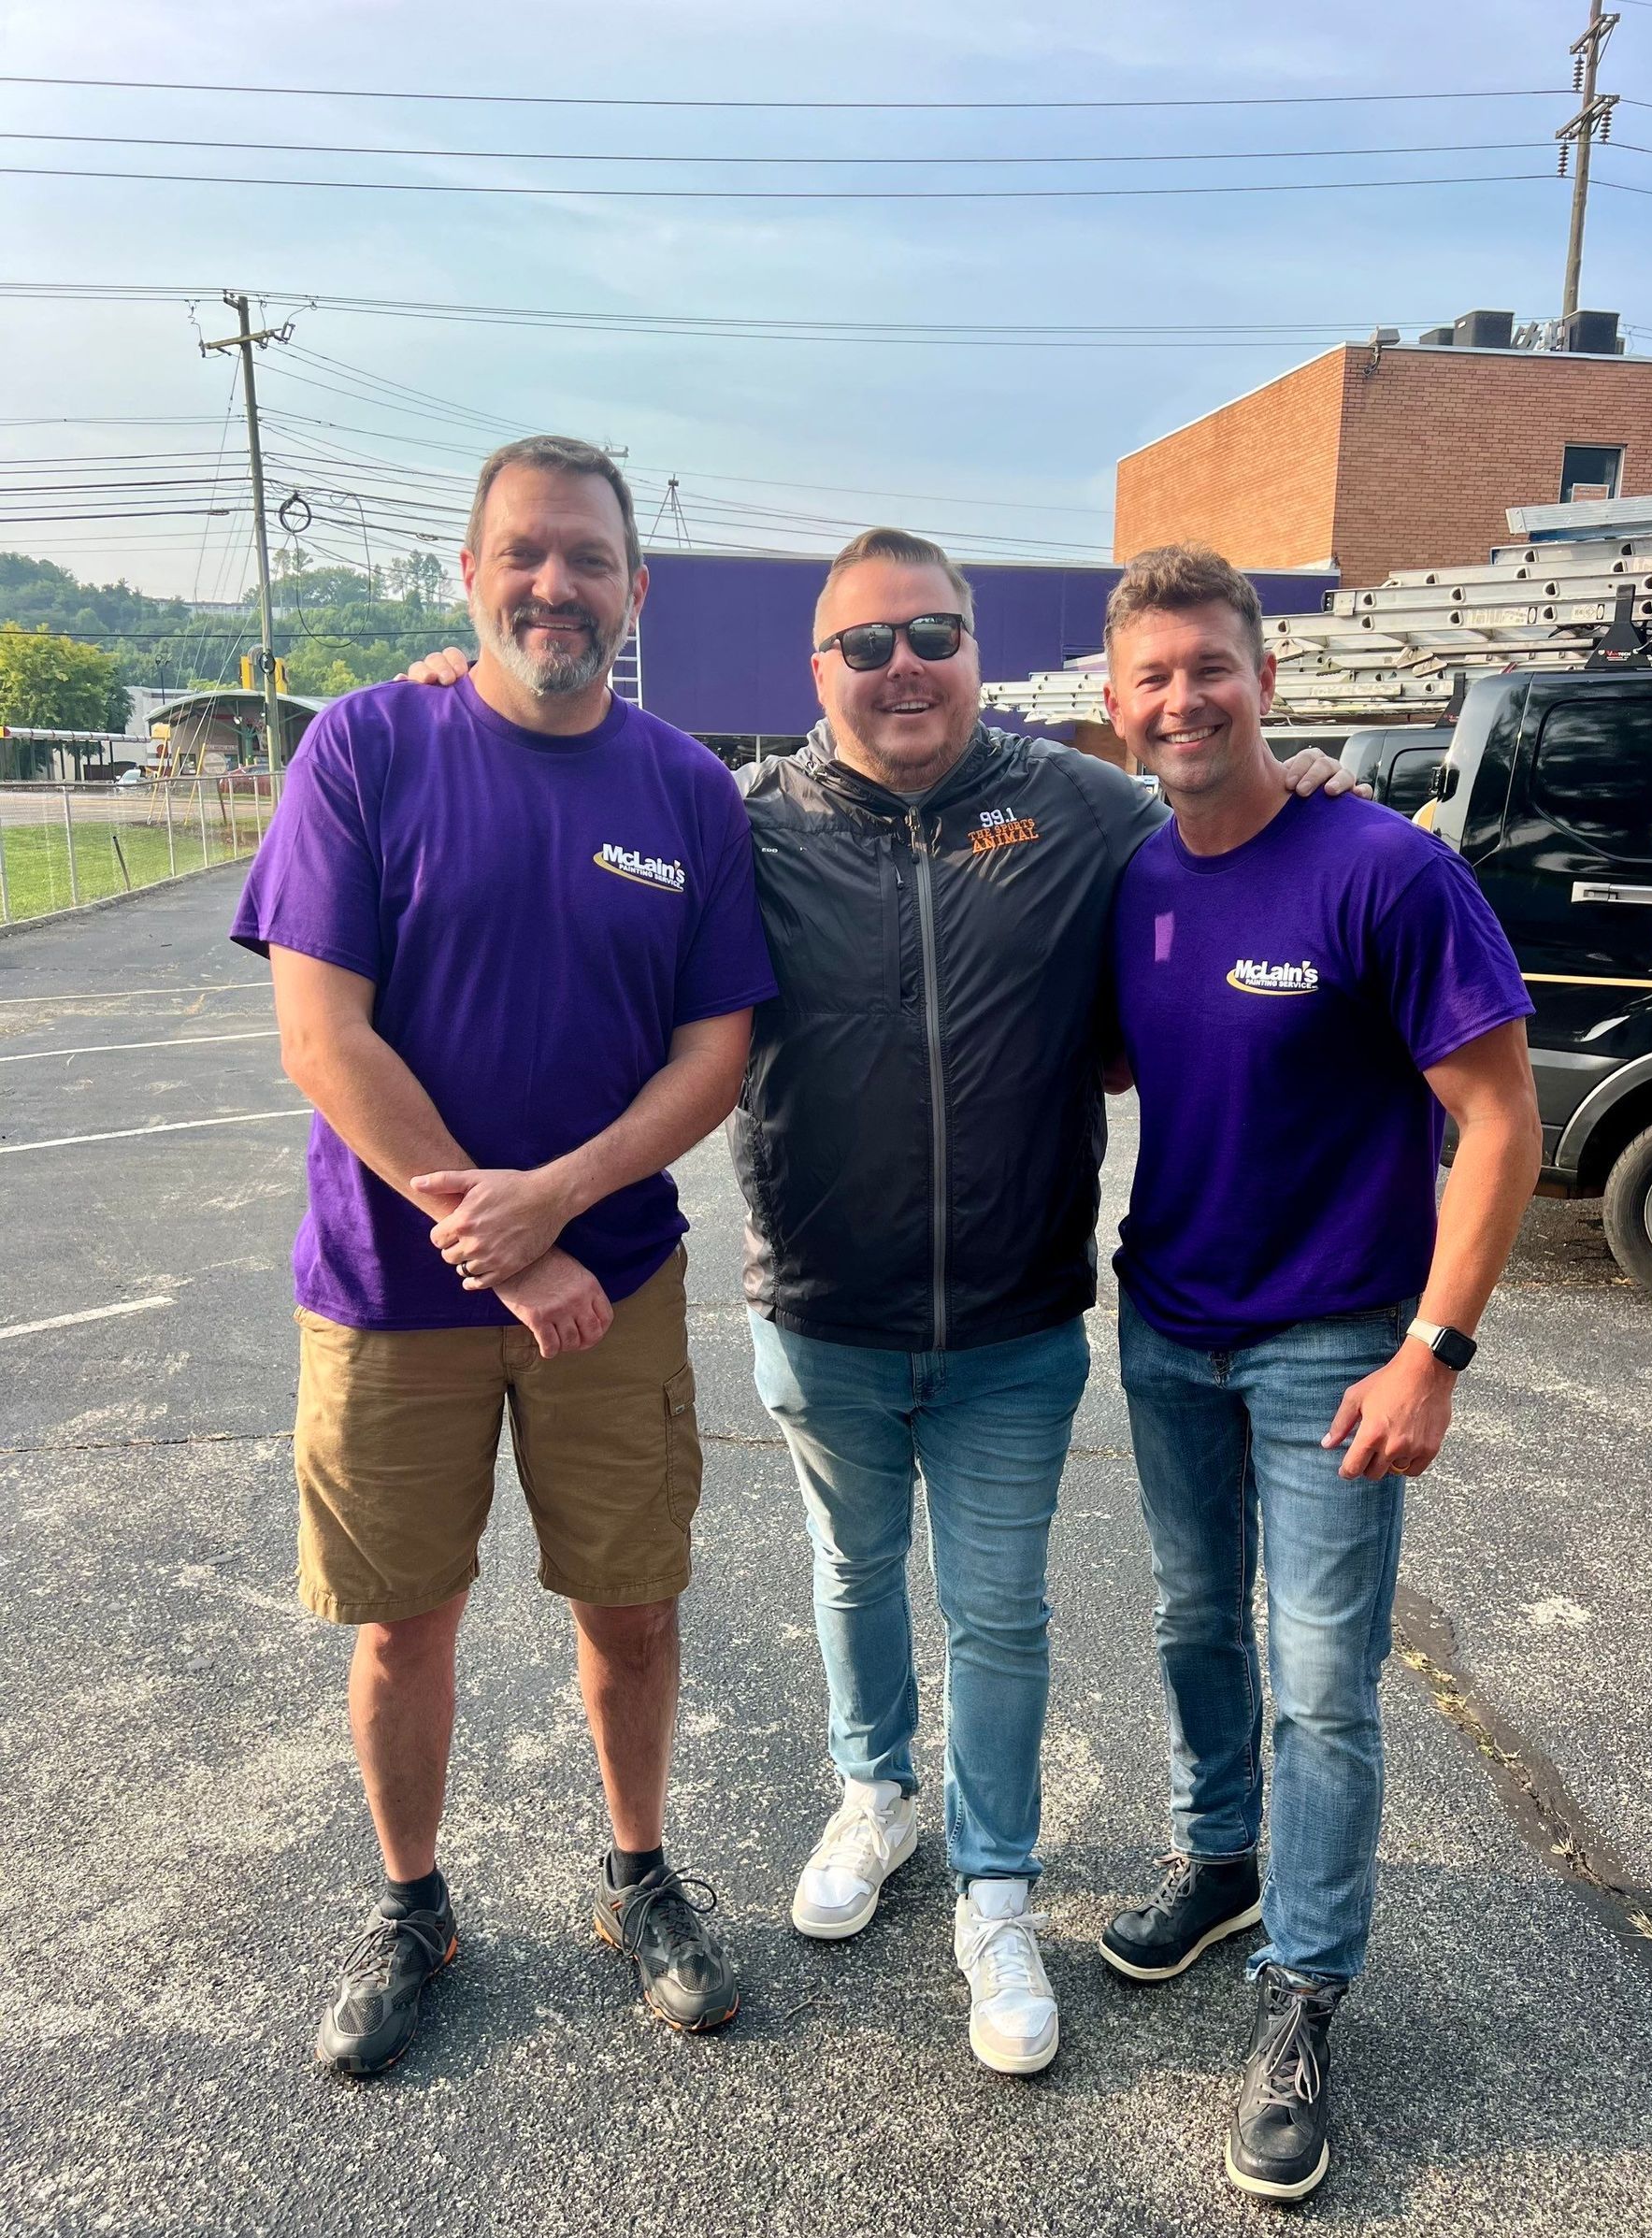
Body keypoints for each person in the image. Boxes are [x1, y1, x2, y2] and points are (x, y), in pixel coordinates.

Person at [406, 525, 1354, 2076]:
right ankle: (878, 1793)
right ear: (817, 671)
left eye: (932, 635)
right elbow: (557, 771)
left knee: (999, 1616)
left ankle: (996, 1886)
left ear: (976, 648)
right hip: (822, 1302)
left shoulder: (1086, 808)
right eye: (864, 645)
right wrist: (462, 688)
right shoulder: (739, 822)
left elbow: (1229, 825)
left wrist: (1309, 786)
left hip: (1014, 1313)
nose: (901, 667)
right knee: (849, 1577)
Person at [234, 434, 777, 2074]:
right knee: (406, 1620)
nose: (557, 584)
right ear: (470, 575)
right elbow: (324, 1039)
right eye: (524, 554)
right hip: (392, 1292)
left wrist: (564, 1200)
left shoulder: (685, 789)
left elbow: (715, 1050)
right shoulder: (365, 747)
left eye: (589, 558)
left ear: (636, 588)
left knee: (632, 1605)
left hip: (614, 1280)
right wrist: (505, 1241)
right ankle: (413, 1904)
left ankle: (639, 1875)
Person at [1097, 543, 1541, 2199]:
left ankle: (1306, 1986)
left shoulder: (1383, 872)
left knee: (1321, 1681)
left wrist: (1434, 1353)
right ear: (1121, 702)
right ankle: (1220, 1863)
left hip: (1338, 1346)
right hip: (1168, 1328)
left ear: (1264, 680)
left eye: (1210, 665)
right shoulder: (1139, 881)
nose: (1184, 698)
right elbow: (1139, 1060)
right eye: (1153, 675)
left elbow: (1502, 1121)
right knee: (1192, 1624)